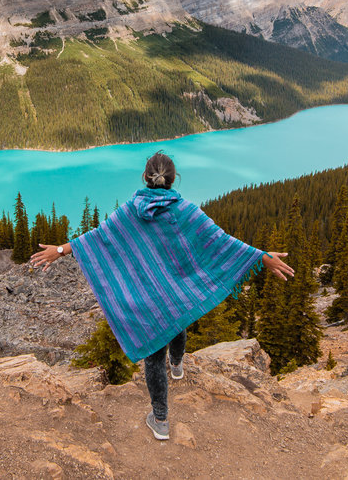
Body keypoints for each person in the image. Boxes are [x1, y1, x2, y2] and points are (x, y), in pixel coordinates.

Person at [29, 151, 293, 441]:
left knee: (154, 358)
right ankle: (177, 366)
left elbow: (97, 237)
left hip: (146, 299)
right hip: (174, 293)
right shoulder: (186, 211)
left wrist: (59, 250)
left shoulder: (130, 211)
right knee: (177, 320)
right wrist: (261, 257)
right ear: (172, 179)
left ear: (145, 177)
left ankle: (161, 419)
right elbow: (219, 241)